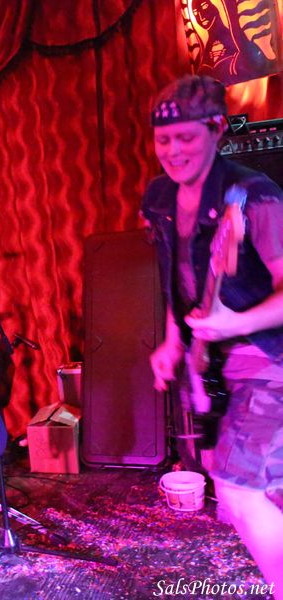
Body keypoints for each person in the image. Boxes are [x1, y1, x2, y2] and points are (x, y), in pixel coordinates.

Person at [142, 75, 283, 595]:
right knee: (269, 486)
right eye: (163, 139)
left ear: (217, 129)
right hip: (216, 361)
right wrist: (172, 341)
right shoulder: (159, 197)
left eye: (186, 137)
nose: (173, 151)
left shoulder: (255, 194)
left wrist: (234, 324)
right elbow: (175, 278)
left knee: (237, 491)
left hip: (269, 356)